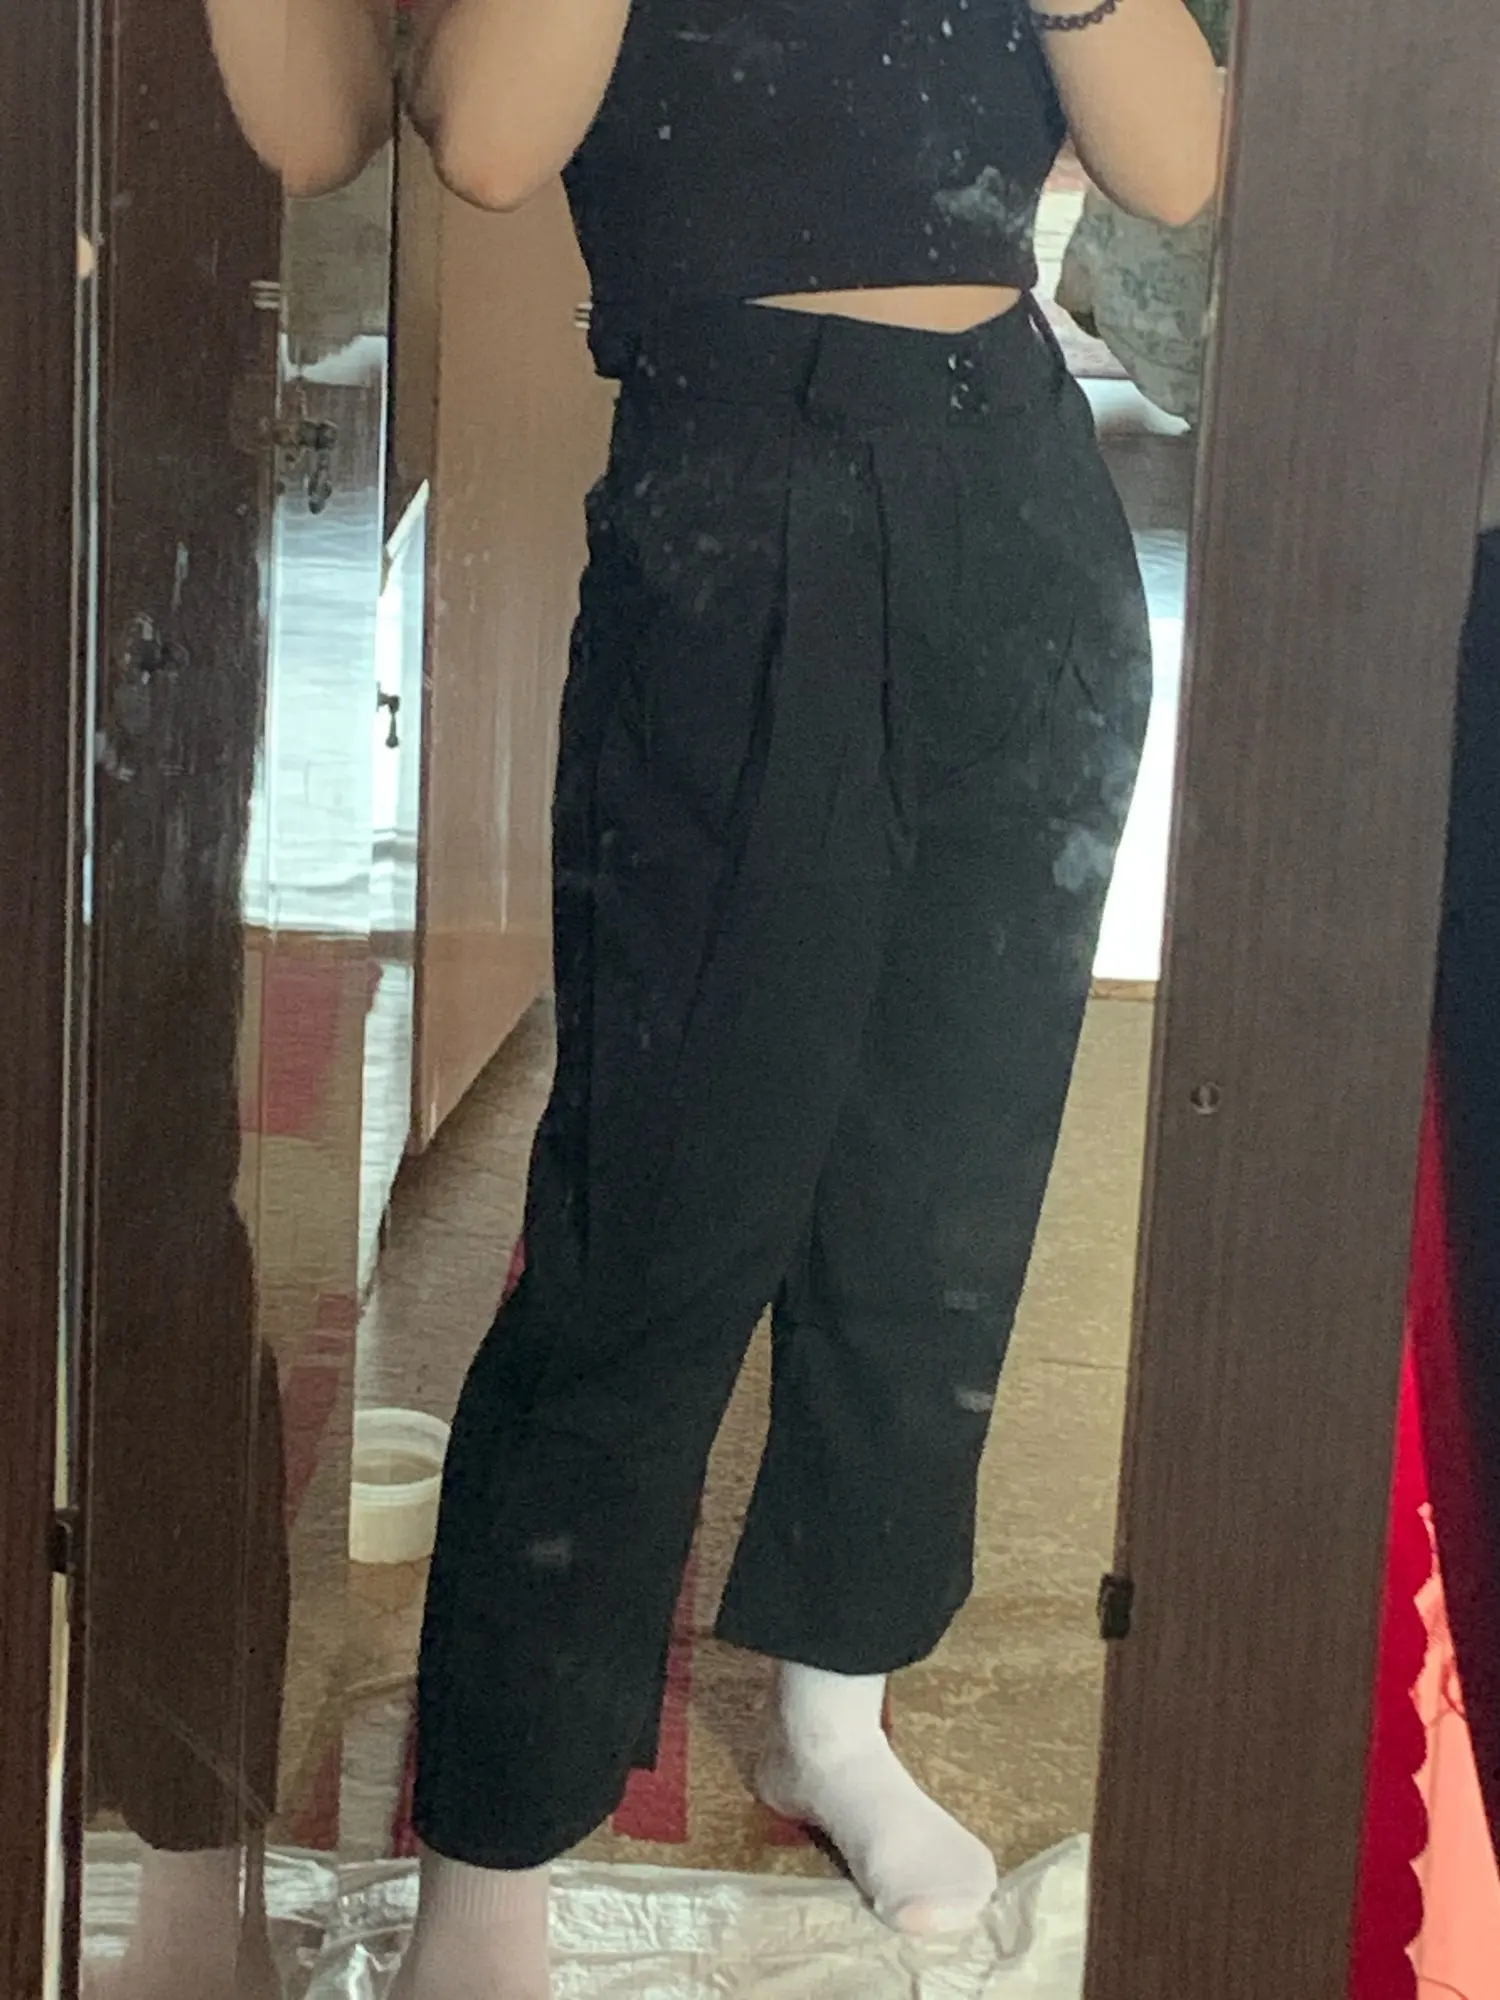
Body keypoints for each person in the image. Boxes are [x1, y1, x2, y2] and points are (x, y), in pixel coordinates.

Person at [387, 2, 1220, 1995]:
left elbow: (1180, 166)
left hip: (1022, 506)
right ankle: (491, 1857)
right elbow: (485, 141)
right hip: (733, 491)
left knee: (943, 1190)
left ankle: (838, 1710)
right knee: (657, 1216)